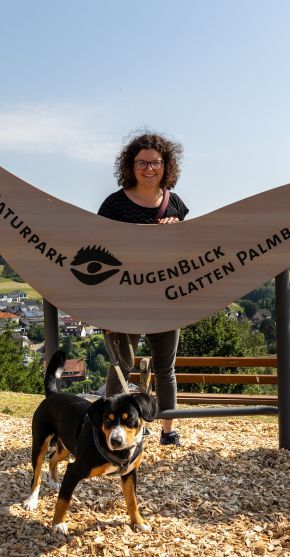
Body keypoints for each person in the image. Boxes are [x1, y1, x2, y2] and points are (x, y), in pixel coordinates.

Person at [98, 131, 188, 446]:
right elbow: (100, 248)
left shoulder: (175, 203)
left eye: (155, 162)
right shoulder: (115, 204)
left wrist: (178, 230)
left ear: (166, 165)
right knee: (121, 366)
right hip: (126, 296)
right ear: (131, 165)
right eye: (142, 163)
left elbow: (187, 252)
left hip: (166, 296)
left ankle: (169, 431)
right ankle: (111, 430)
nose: (149, 169)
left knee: (165, 368)